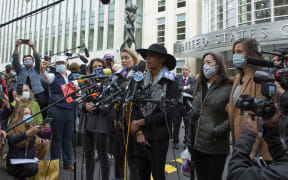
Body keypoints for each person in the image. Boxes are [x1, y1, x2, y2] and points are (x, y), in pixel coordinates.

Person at [131, 43, 179, 180]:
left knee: (158, 174)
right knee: (142, 174)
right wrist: (139, 131)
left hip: (159, 136)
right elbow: (134, 105)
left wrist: (142, 122)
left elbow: (169, 112)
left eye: (152, 56)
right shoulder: (140, 79)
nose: (147, 58)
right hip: (140, 134)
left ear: (162, 58)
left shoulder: (171, 80)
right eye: (146, 56)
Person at [228, 38, 272, 161]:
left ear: (250, 54)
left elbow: (260, 117)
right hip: (239, 141)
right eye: (234, 52)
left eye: (239, 51)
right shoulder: (237, 77)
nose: (235, 55)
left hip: (255, 148)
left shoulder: (260, 78)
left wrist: (252, 150)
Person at [190, 52, 232, 180]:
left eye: (209, 62)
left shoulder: (229, 86)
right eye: (203, 63)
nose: (205, 66)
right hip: (196, 145)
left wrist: (217, 130)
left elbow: (234, 115)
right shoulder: (200, 84)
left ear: (218, 65)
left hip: (216, 146)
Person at [227, 103, 288, 180]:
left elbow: (235, 175)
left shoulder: (279, 174)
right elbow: (282, 160)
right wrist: (271, 129)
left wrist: (247, 136)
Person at [41, 56, 79, 171]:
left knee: (68, 137)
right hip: (56, 109)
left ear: (66, 64)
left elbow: (78, 93)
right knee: (57, 137)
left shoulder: (72, 76)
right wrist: (42, 69)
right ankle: (55, 163)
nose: (60, 65)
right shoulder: (53, 76)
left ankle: (67, 162)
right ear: (55, 65)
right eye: (58, 63)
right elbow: (45, 77)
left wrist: (77, 88)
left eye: (62, 63)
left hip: (70, 109)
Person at [83, 58, 115, 180]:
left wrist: (97, 105)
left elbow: (111, 105)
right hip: (87, 124)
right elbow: (80, 103)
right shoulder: (88, 84)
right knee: (88, 156)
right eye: (94, 67)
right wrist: (85, 106)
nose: (97, 69)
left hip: (102, 124)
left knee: (103, 156)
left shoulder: (109, 84)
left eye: (99, 66)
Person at [113, 48, 140, 180]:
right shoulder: (118, 77)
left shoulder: (140, 75)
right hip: (119, 123)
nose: (123, 60)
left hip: (133, 123)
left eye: (127, 57)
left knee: (133, 161)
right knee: (118, 159)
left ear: (134, 59)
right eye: (122, 58)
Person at [6, 105, 50, 180]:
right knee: (31, 169)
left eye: (30, 114)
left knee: (34, 168)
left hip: (28, 159)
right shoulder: (13, 126)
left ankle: (20, 177)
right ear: (20, 115)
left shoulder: (32, 124)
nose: (28, 116)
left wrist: (46, 130)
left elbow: (44, 135)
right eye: (26, 113)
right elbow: (12, 140)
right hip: (15, 161)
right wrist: (27, 133)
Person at [12, 39, 46, 113]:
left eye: (29, 59)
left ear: (33, 61)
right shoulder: (20, 70)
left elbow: (37, 58)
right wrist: (17, 46)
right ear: (23, 62)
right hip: (22, 94)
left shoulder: (36, 69)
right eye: (25, 59)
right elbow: (15, 59)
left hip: (37, 94)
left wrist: (33, 47)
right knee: (23, 112)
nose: (27, 60)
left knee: (37, 112)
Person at [173, 65, 196, 149]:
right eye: (183, 69)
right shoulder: (177, 79)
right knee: (176, 125)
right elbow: (175, 89)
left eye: (186, 69)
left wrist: (181, 88)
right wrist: (185, 87)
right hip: (178, 105)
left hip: (187, 106)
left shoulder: (193, 80)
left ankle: (186, 141)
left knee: (187, 125)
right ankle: (175, 141)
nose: (184, 71)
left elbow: (192, 90)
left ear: (189, 71)